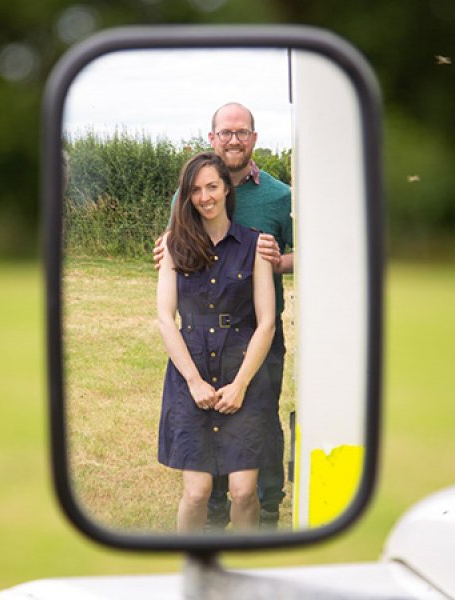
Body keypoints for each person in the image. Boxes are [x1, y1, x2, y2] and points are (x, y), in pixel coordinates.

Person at [155, 102, 293, 529]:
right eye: (225, 132)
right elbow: (165, 312)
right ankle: (203, 542)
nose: (204, 197)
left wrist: (275, 261)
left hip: (249, 344)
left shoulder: (278, 198)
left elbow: (271, 311)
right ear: (212, 136)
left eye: (242, 131)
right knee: (198, 491)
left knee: (251, 461)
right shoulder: (184, 216)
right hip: (196, 354)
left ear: (254, 137)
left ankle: (265, 515)